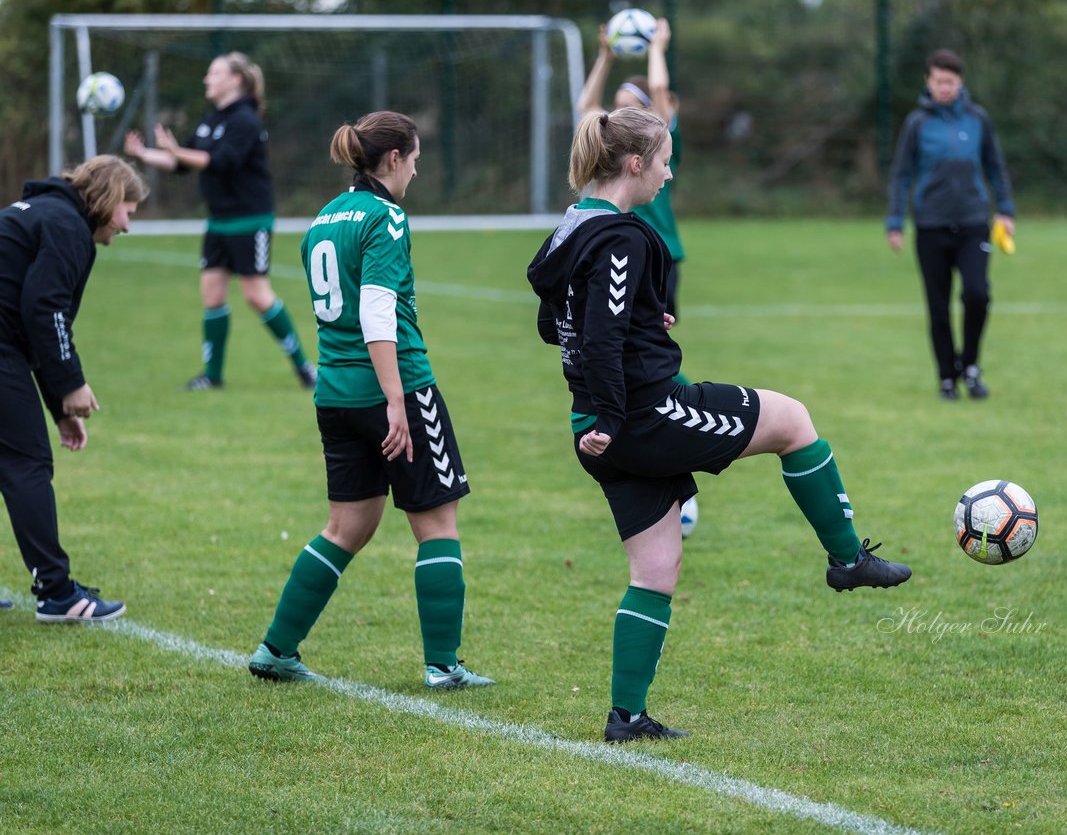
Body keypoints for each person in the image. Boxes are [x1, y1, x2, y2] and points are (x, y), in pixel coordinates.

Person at [527, 108, 911, 743]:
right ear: (633, 164)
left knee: (655, 570)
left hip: (593, 428)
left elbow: (557, 324)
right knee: (793, 420)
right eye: (663, 160)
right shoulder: (624, 234)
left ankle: (626, 718)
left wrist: (640, 332)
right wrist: (619, 411)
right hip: (641, 417)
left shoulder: (569, 229)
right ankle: (847, 560)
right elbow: (595, 338)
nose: (668, 173)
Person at [248, 111, 493, 690]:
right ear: (392, 159)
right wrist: (395, 400)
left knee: (347, 526)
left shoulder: (324, 219)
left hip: (333, 393)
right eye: (413, 159)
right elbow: (377, 311)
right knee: (437, 523)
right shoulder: (387, 217)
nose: (415, 170)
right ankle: (444, 665)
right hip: (395, 388)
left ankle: (276, 649)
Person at [0, 155, 148, 621]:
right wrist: (73, 384)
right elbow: (45, 312)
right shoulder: (66, 227)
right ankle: (58, 593)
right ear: (107, 200)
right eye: (128, 208)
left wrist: (59, 405)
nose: (128, 223)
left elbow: (30, 326)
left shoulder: (45, 213)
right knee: (27, 463)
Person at [124, 52, 315, 391]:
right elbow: (184, 163)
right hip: (218, 221)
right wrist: (145, 155)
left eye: (214, 73)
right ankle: (213, 376)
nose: (206, 79)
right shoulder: (211, 118)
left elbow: (221, 162)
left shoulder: (246, 121)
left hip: (249, 219)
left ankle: (304, 367)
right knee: (212, 294)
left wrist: (176, 150)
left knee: (257, 295)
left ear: (235, 80)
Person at [885, 48, 1016, 400]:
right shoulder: (917, 124)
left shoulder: (978, 119)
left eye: (951, 81)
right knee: (938, 305)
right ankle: (947, 376)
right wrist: (895, 221)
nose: (945, 87)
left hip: (974, 222)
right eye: (939, 81)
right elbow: (901, 174)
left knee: (978, 294)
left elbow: (995, 166)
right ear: (928, 81)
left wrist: (1005, 210)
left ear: (961, 82)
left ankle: (970, 366)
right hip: (931, 226)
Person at [578, 16, 691, 384]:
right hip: (619, 242)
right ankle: (652, 398)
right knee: (622, 334)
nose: (619, 113)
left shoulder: (660, 137)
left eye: (630, 105)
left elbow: (659, 86)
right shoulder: (616, 144)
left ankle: (673, 397)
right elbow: (587, 108)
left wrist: (657, 49)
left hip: (659, 249)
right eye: (617, 105)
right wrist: (605, 57)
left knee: (649, 337)